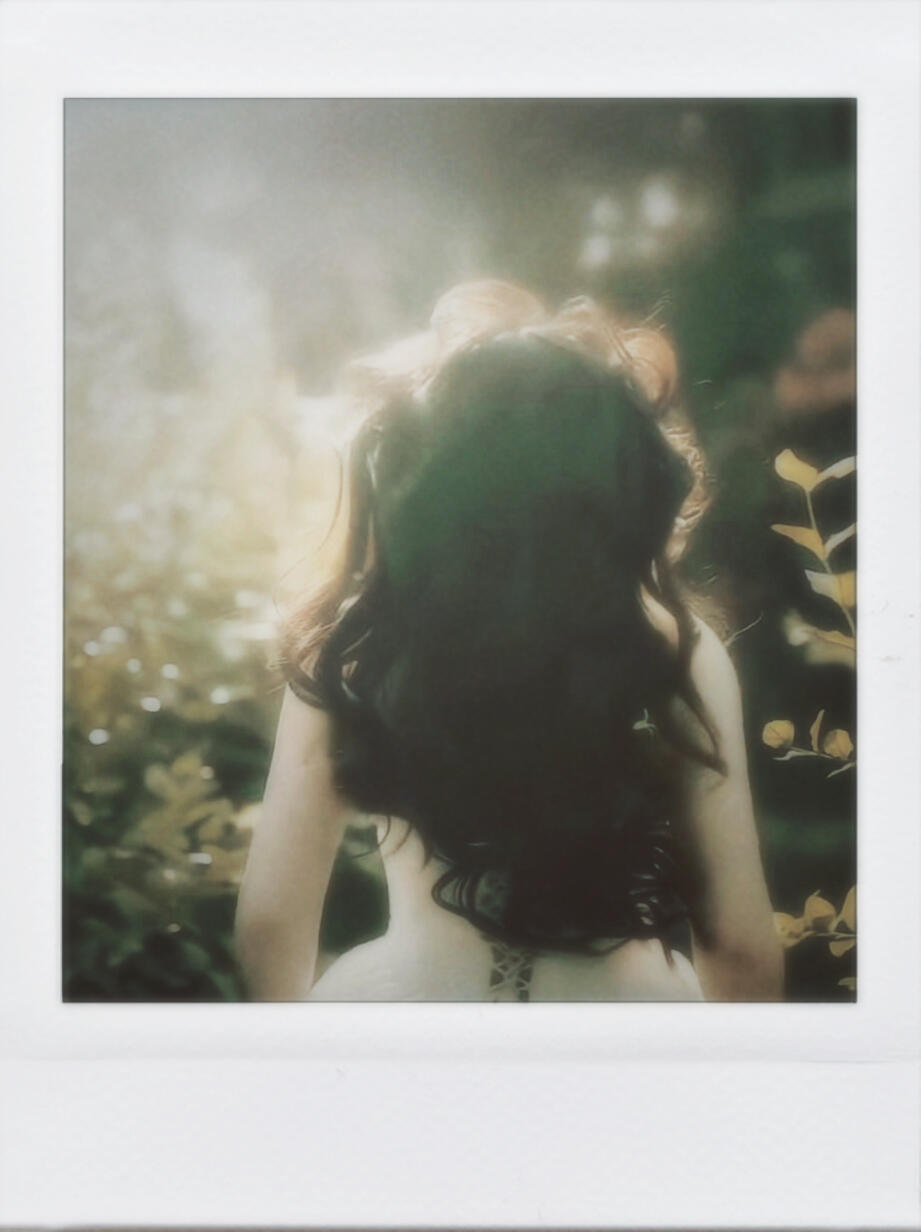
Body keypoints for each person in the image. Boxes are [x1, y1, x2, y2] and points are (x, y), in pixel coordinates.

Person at [235, 281, 783, 1002]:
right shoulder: (674, 650)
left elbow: (269, 924)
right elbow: (739, 950)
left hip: (409, 1008)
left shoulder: (359, 640)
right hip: (617, 1020)